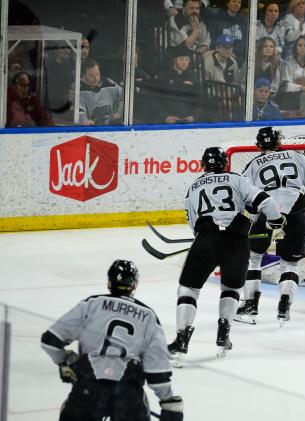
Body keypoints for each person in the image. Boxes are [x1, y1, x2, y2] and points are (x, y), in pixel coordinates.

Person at [168, 147, 285, 360]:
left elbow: (192, 223)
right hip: (237, 241)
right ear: (225, 163)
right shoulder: (237, 179)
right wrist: (276, 222)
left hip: (206, 240)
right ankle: (224, 334)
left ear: (203, 165)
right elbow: (265, 201)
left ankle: (182, 339)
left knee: (188, 289)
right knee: (231, 289)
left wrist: (206, 239)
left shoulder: (193, 187)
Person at [40, 260, 184, 421]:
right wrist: (167, 400)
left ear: (109, 282)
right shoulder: (148, 316)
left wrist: (66, 361)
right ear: (134, 285)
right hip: (127, 394)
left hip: (88, 388)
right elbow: (157, 369)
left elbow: (50, 341)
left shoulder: (91, 304)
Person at [236, 126, 305, 324]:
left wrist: (251, 219)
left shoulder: (253, 164)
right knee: (290, 263)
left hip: (266, 212)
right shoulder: (296, 156)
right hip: (296, 212)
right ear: (279, 141)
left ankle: (250, 306)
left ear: (258, 146)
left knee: (252, 258)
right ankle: (284, 306)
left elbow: (246, 198)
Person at [154, 46, 202, 124]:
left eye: (186, 59)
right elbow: (155, 100)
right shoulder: (163, 76)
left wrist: (193, 116)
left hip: (188, 121)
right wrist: (165, 117)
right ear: (174, 59)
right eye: (181, 59)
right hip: (167, 122)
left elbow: (200, 100)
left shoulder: (193, 77)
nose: (184, 62)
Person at [78, 59, 124, 125]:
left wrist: (117, 112)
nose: (95, 78)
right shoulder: (79, 89)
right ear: (84, 75)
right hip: (91, 129)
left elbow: (124, 97)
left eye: (97, 74)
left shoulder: (109, 83)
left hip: (112, 126)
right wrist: (84, 121)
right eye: (91, 75)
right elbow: (79, 111)